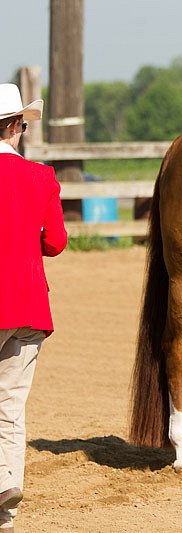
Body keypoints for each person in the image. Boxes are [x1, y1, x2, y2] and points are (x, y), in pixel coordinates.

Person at [0, 83, 67, 529]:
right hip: (26, 306)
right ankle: (5, 494)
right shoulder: (42, 178)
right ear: (17, 127)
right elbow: (56, 242)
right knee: (10, 405)